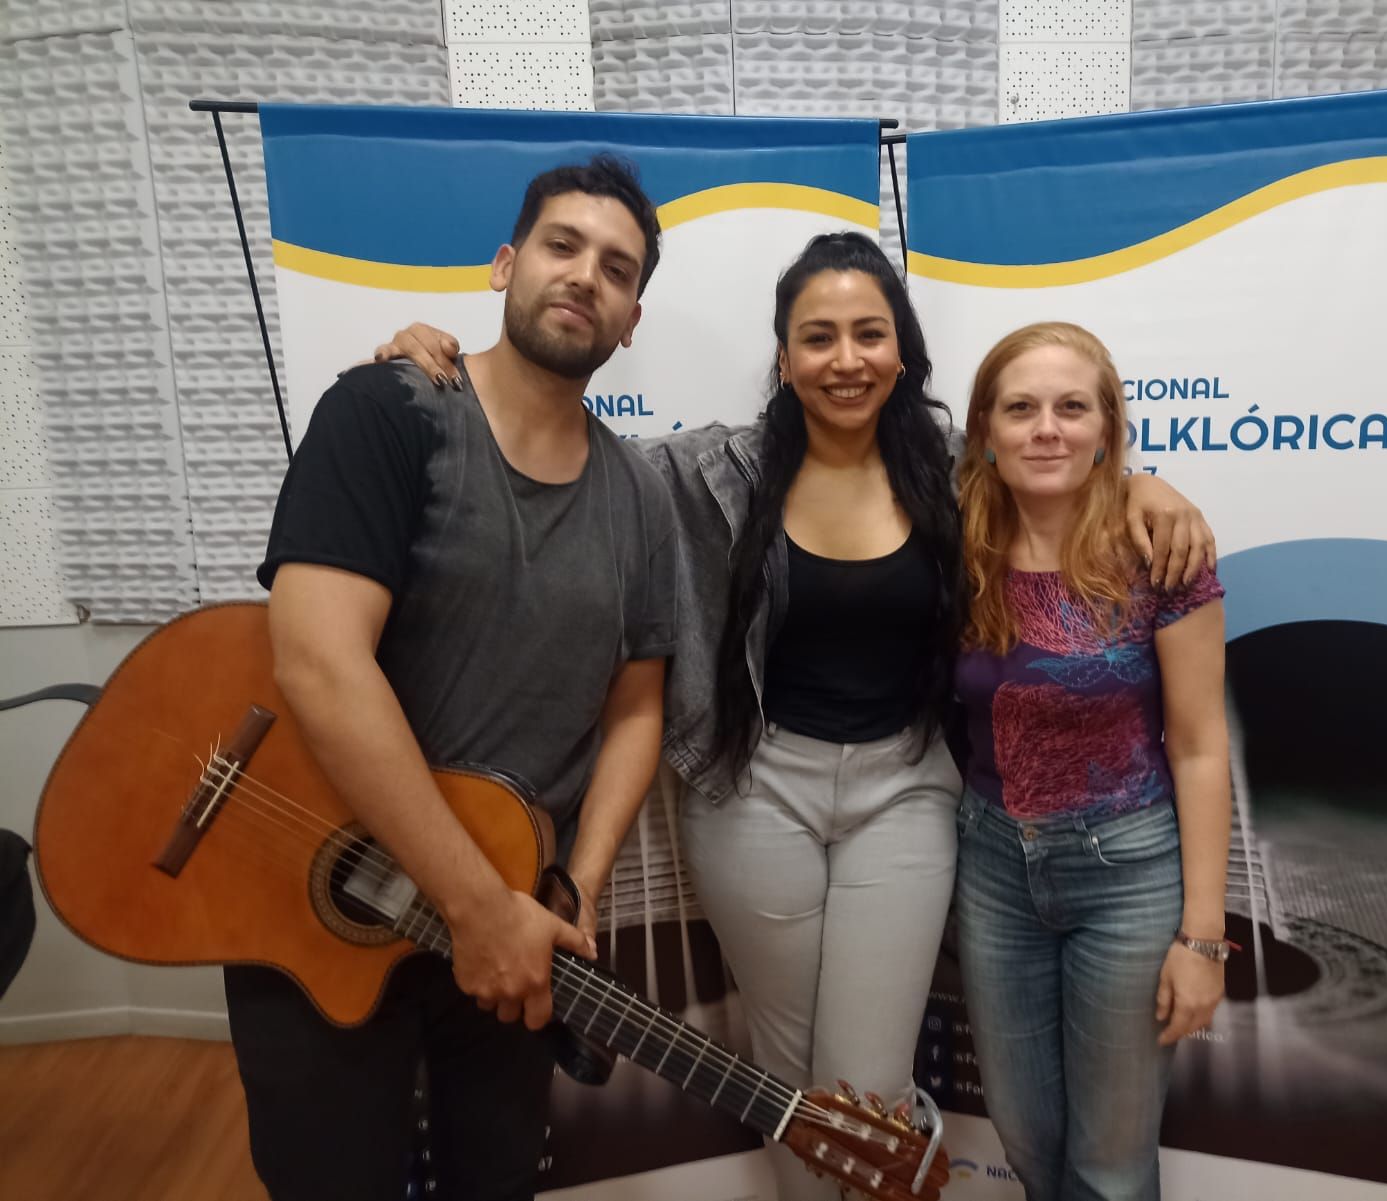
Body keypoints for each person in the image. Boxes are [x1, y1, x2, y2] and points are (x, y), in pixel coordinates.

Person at [376, 233, 1216, 1201]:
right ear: (783, 358)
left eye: (870, 334)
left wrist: (1146, 484)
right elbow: (559, 449)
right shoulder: (708, 469)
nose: (845, 358)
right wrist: (446, 374)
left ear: (902, 352)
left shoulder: (955, 472)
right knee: (786, 1076)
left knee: (867, 1083)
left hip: (905, 791)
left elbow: (1063, 473)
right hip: (755, 791)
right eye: (818, 337)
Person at [231, 155, 677, 1201]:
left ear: (630, 321)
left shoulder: (640, 497)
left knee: (498, 1179)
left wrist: (571, 889)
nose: (585, 276)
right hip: (321, 900)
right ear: (505, 264)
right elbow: (319, 661)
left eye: (616, 270)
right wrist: (475, 905)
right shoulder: (386, 413)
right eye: (563, 245)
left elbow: (638, 706)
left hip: (514, 921)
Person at [952, 321, 1231, 1201]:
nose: (1047, 429)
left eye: (1072, 408)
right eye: (1021, 409)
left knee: (1110, 1166)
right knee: (1029, 1141)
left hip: (1130, 875)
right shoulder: (957, 548)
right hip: (994, 868)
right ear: (985, 431)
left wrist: (1203, 937)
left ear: (1108, 428)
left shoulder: (1163, 553)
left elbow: (1200, 745)